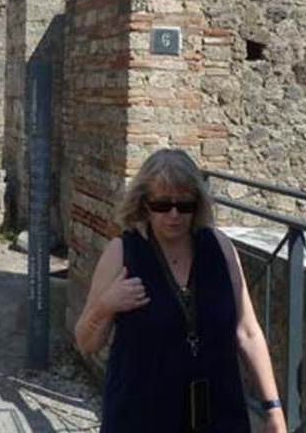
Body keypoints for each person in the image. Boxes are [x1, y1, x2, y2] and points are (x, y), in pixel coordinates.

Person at [75, 149, 286, 433]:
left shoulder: (220, 249)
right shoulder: (123, 253)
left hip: (218, 414)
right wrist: (106, 305)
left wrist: (272, 409)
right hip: (142, 417)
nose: (174, 215)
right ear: (144, 204)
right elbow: (86, 343)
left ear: (197, 205)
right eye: (162, 205)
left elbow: (247, 331)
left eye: (184, 205)